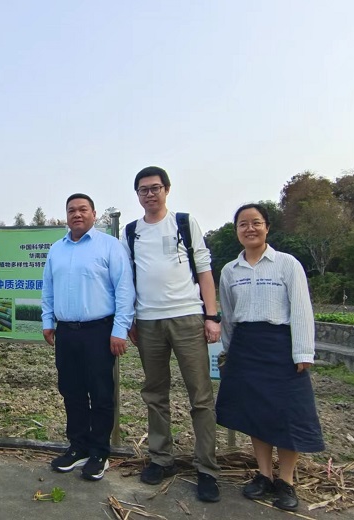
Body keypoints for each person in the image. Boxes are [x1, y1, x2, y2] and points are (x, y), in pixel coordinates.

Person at [216, 203, 324, 512]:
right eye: (243, 224)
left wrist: (303, 351)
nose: (249, 228)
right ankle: (264, 474)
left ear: (267, 227)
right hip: (246, 347)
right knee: (256, 413)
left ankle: (286, 481)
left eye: (256, 222)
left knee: (289, 414)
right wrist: (229, 350)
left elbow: (301, 308)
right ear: (237, 231)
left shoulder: (287, 264)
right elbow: (228, 316)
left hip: (280, 345)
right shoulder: (230, 271)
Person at [123, 166, 222, 502]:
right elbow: (127, 280)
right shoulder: (131, 232)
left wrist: (211, 316)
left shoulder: (184, 223)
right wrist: (130, 319)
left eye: (155, 188)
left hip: (187, 317)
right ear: (137, 195)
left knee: (200, 396)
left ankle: (206, 468)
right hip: (148, 321)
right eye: (143, 189)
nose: (150, 194)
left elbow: (204, 271)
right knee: (155, 393)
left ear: (167, 189)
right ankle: (161, 459)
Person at [41, 193, 135, 481]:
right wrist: (48, 321)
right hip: (66, 332)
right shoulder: (57, 249)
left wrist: (120, 330)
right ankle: (78, 446)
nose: (77, 214)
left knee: (101, 393)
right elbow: (48, 288)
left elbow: (124, 289)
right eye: (72, 210)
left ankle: (99, 452)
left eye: (83, 209)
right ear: (66, 216)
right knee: (71, 391)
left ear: (94, 214)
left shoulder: (110, 246)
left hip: (99, 331)